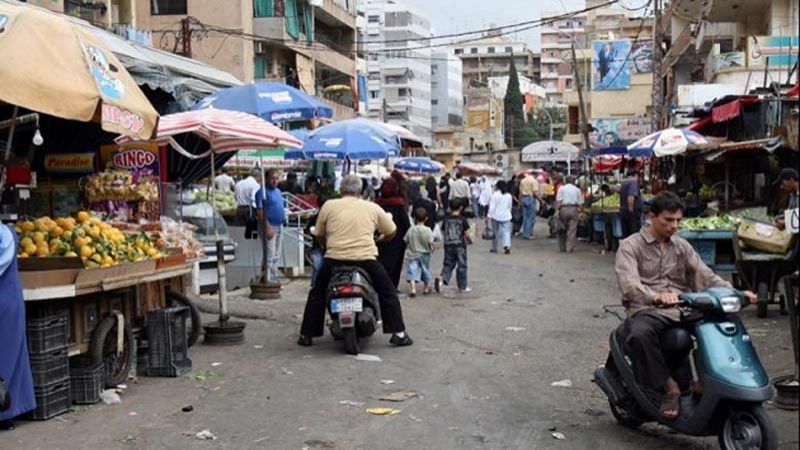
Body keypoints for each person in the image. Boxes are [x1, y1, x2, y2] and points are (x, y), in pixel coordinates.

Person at [615, 192, 757, 419]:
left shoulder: (682, 246)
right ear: (652, 216)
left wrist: (737, 293)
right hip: (649, 310)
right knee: (640, 334)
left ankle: (705, 379)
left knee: (725, 323)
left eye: (678, 221)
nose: (674, 226)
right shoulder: (630, 246)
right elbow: (630, 285)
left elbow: (706, 276)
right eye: (668, 220)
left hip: (684, 307)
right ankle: (669, 387)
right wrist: (656, 296)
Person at [297, 175, 412, 347]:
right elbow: (391, 230)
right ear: (361, 191)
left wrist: (326, 246)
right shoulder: (372, 207)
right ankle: (399, 333)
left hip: (334, 259)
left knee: (317, 293)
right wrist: (382, 239)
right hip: (365, 259)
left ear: (341, 190)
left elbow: (319, 233)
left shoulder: (329, 206)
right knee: (388, 292)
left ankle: (307, 335)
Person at [0, 225, 36, 430]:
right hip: (10, 302)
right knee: (12, 356)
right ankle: (11, 412)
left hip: (5, 303)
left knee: (7, 358)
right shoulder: (8, 233)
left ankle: (5, 414)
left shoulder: (5, 235)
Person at [376, 176, 411, 289]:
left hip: (380, 240)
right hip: (397, 241)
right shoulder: (399, 204)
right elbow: (406, 224)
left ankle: (380, 285)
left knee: (380, 263)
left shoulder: (377, 204)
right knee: (395, 265)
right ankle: (392, 287)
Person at [254, 169, 285, 283]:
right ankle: (267, 278)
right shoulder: (261, 192)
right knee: (269, 254)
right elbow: (260, 211)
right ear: (266, 179)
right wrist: (266, 226)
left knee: (277, 254)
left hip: (279, 225)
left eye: (277, 178)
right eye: (272, 178)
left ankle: (273, 276)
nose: (274, 181)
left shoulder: (278, 191)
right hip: (269, 225)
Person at [436, 198, 472, 294]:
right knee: (462, 265)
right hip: (460, 245)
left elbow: (443, 231)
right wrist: (469, 240)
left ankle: (442, 278)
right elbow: (466, 233)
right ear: (461, 208)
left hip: (448, 245)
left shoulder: (446, 219)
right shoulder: (463, 219)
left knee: (448, 263)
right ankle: (462, 287)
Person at [404, 207, 435, 298]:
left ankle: (413, 289)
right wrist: (432, 248)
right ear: (426, 218)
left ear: (414, 218)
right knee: (425, 270)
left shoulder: (411, 230)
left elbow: (406, 240)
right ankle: (426, 287)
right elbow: (430, 243)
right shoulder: (428, 230)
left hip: (412, 253)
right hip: (425, 254)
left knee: (412, 271)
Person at [304, 194, 328, 288]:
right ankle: (315, 286)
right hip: (318, 247)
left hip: (324, 247)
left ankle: (317, 286)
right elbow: (308, 230)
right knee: (317, 268)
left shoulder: (322, 217)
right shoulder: (315, 218)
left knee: (318, 268)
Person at [556, 175, 582, 253]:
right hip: (574, 209)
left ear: (565, 181)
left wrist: (557, 211)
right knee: (572, 230)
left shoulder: (561, 189)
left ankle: (562, 247)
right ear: (573, 181)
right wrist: (580, 211)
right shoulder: (577, 190)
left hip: (563, 208)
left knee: (562, 228)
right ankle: (569, 248)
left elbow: (559, 200)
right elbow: (580, 202)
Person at [488, 180, 514, 254]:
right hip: (506, 216)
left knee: (495, 232)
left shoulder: (495, 195)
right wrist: (509, 213)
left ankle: (494, 248)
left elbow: (492, 207)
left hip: (495, 216)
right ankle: (507, 246)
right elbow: (510, 206)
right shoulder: (508, 195)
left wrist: (488, 216)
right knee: (506, 232)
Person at [234, 168, 261, 234]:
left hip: (239, 209)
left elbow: (235, 197)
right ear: (258, 176)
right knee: (250, 233)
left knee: (239, 232)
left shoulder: (239, 183)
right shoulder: (255, 185)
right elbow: (254, 199)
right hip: (249, 211)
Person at [519, 171, 543, 239]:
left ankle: (525, 233)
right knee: (531, 217)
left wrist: (519, 201)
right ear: (535, 174)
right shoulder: (534, 181)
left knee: (525, 217)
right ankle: (529, 234)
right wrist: (541, 200)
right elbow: (535, 192)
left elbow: (520, 192)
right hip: (530, 198)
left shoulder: (523, 180)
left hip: (523, 198)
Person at [619, 169, 643, 238]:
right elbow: (631, 196)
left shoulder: (624, 182)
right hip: (631, 213)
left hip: (623, 211)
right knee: (634, 235)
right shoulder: (633, 182)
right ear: (636, 175)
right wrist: (631, 211)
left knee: (626, 235)